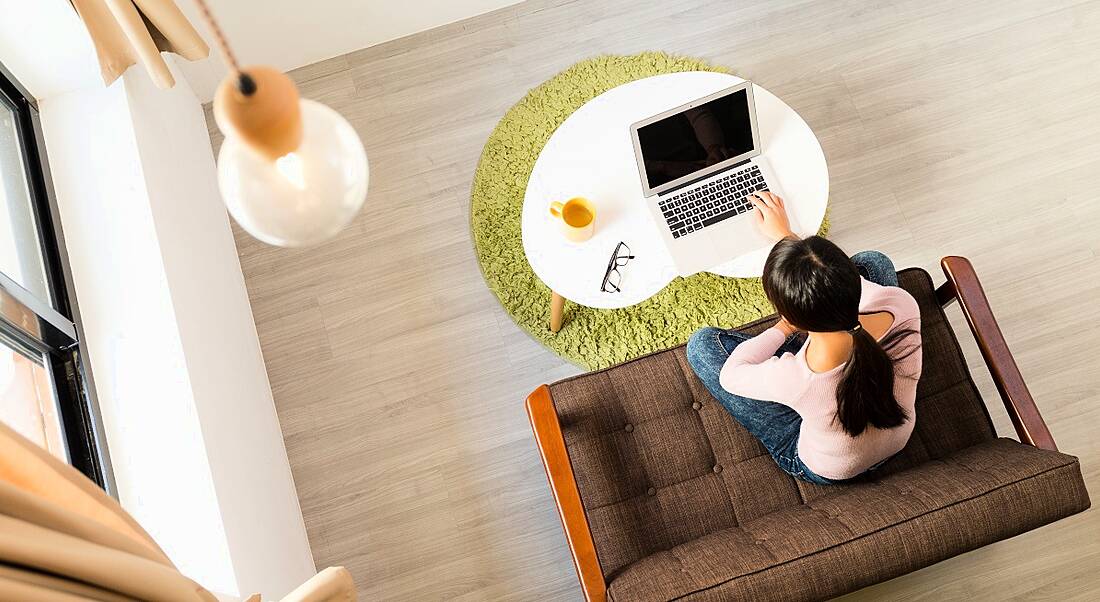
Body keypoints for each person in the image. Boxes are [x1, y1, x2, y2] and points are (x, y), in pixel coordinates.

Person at [686, 192, 922, 485]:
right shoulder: (902, 304)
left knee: (701, 346)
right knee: (873, 261)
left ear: (794, 319)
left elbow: (731, 375)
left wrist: (782, 329)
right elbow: (836, 277)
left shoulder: (797, 378)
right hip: (897, 436)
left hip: (830, 466)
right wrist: (786, 236)